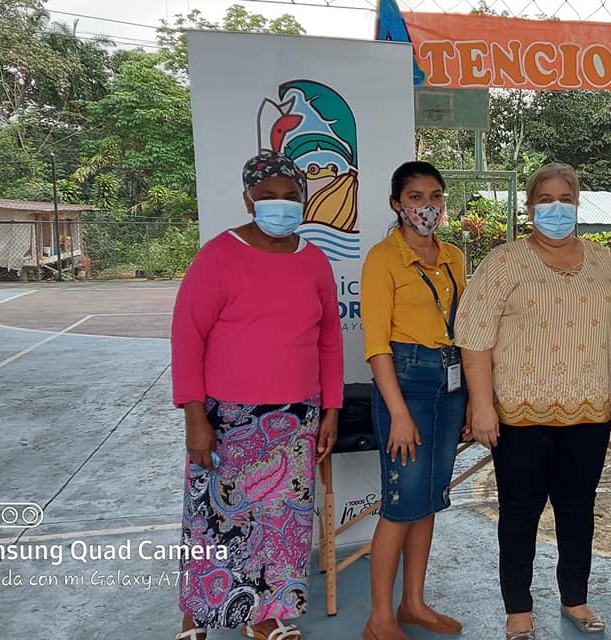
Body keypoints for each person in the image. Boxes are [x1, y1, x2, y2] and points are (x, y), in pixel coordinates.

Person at [455, 162, 611, 640]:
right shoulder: (504, 261)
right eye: (546, 200)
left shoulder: (603, 262)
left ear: (578, 204)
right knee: (520, 512)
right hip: (520, 415)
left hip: (589, 411)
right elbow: (474, 336)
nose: (556, 209)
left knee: (578, 509)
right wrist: (482, 405)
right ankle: (518, 610)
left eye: (565, 200)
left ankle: (575, 598)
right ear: (530, 207)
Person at [172, 150, 341, 640]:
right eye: (268, 196)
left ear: (303, 199)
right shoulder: (218, 256)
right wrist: (195, 418)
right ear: (249, 199)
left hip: (296, 415)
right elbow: (187, 337)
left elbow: (330, 340)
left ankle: (265, 615)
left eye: (291, 196)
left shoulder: (314, 261)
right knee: (215, 521)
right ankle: (197, 614)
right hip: (228, 416)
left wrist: (330, 410)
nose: (280, 205)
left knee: (280, 522)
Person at [360, 161, 469, 640]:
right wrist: (399, 414)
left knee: (427, 500)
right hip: (406, 384)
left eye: (435, 196)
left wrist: (472, 399)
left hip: (451, 383)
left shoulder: (454, 257)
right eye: (416, 197)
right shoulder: (383, 259)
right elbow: (376, 346)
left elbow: (465, 329)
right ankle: (379, 617)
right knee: (401, 502)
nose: (428, 206)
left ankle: (413, 604)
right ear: (396, 204)